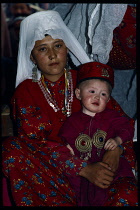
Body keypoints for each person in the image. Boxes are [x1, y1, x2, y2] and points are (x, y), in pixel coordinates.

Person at [2, 10, 137, 206]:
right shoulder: (26, 92)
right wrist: (82, 169)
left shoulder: (86, 81)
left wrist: (116, 148)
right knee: (11, 150)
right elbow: (35, 145)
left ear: (67, 48)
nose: (52, 54)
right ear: (32, 56)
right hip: (55, 177)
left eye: (58, 45)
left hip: (101, 167)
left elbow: (120, 120)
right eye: (42, 49)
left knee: (127, 195)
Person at [59, 62, 138, 206]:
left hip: (114, 171)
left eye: (103, 94)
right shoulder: (72, 122)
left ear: (108, 100)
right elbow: (65, 144)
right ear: (78, 93)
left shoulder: (112, 116)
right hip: (89, 175)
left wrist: (118, 140)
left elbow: (127, 128)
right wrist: (70, 153)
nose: (97, 97)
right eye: (92, 92)